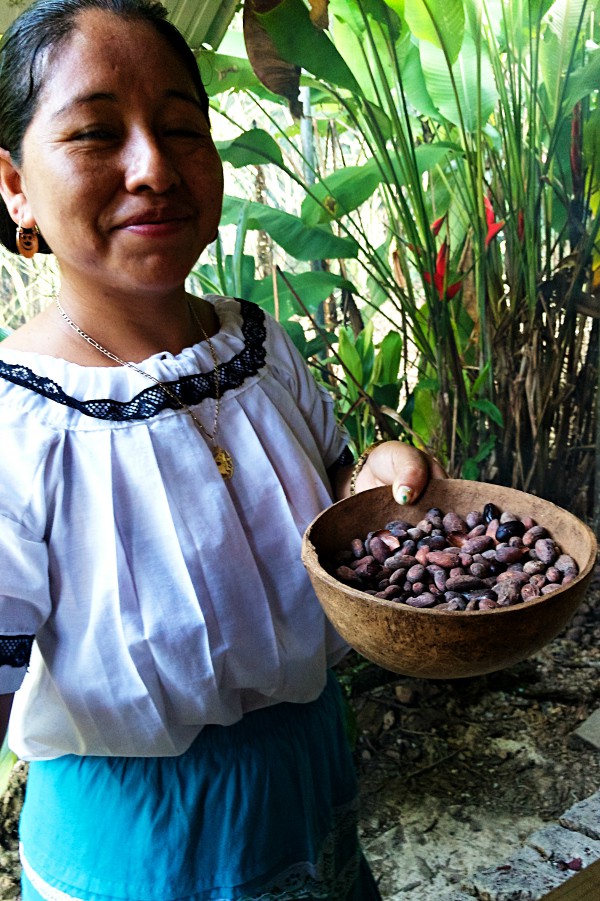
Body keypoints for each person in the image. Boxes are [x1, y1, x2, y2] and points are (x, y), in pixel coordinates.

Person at [0, 2, 443, 899]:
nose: (154, 167)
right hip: (141, 843)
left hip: (311, 778)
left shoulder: (256, 343)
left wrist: (378, 477)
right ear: (13, 184)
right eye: (93, 132)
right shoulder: (21, 424)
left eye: (179, 129)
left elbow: (328, 500)